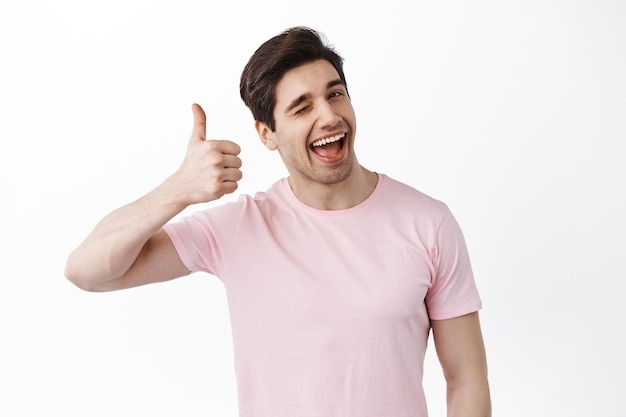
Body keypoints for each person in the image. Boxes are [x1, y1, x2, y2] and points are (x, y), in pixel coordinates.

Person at [65, 26, 491, 417]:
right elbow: (87, 271)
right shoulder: (237, 228)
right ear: (267, 134)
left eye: (335, 94)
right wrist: (178, 189)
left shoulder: (429, 223)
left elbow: (466, 379)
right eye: (301, 107)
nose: (328, 116)